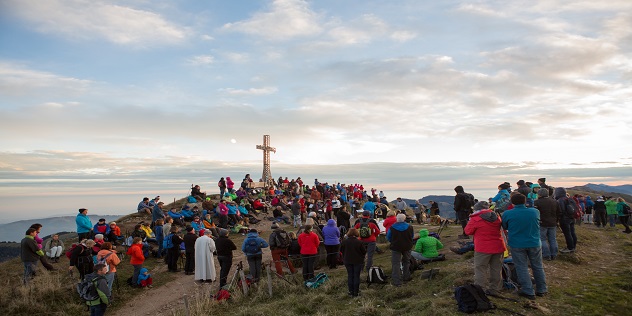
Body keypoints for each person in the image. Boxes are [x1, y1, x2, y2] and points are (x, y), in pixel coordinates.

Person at [501, 193, 548, 300]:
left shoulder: (508, 213)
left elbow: (504, 226)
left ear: (512, 203)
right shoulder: (535, 212)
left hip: (517, 243)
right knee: (537, 266)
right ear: (525, 201)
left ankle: (528, 290)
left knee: (521, 267)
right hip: (534, 242)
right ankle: (542, 289)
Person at [464, 201, 505, 295]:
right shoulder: (496, 217)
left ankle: (480, 289)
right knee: (496, 268)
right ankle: (495, 289)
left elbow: (467, 231)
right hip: (498, 245)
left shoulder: (476, 219)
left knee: (480, 268)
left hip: (483, 247)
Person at [387, 214, 414, 286]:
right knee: (406, 261)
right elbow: (412, 236)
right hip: (407, 246)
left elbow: (388, 237)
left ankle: (396, 280)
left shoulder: (392, 227)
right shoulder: (410, 227)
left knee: (395, 263)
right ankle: (406, 276)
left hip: (396, 247)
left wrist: (392, 242)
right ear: (404, 219)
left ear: (397, 219)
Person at [533, 188, 560, 260]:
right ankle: (554, 254)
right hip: (553, 223)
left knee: (542, 239)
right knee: (553, 239)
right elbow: (558, 212)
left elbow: (535, 213)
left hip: (542, 222)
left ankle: (546, 254)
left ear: (540, 194)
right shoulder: (555, 201)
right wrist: (556, 221)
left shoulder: (537, 202)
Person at [340, 228, 366, 297]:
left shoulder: (344, 242)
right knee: (356, 276)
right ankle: (356, 292)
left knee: (350, 275)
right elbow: (364, 251)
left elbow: (341, 250)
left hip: (347, 260)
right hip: (358, 260)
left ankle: (350, 291)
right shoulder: (359, 242)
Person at [554, 188, 577, 253]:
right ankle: (573, 246)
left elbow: (561, 211)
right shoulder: (570, 198)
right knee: (572, 232)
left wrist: (558, 219)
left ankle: (570, 247)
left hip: (564, 219)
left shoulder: (560, 200)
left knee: (567, 233)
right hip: (572, 218)